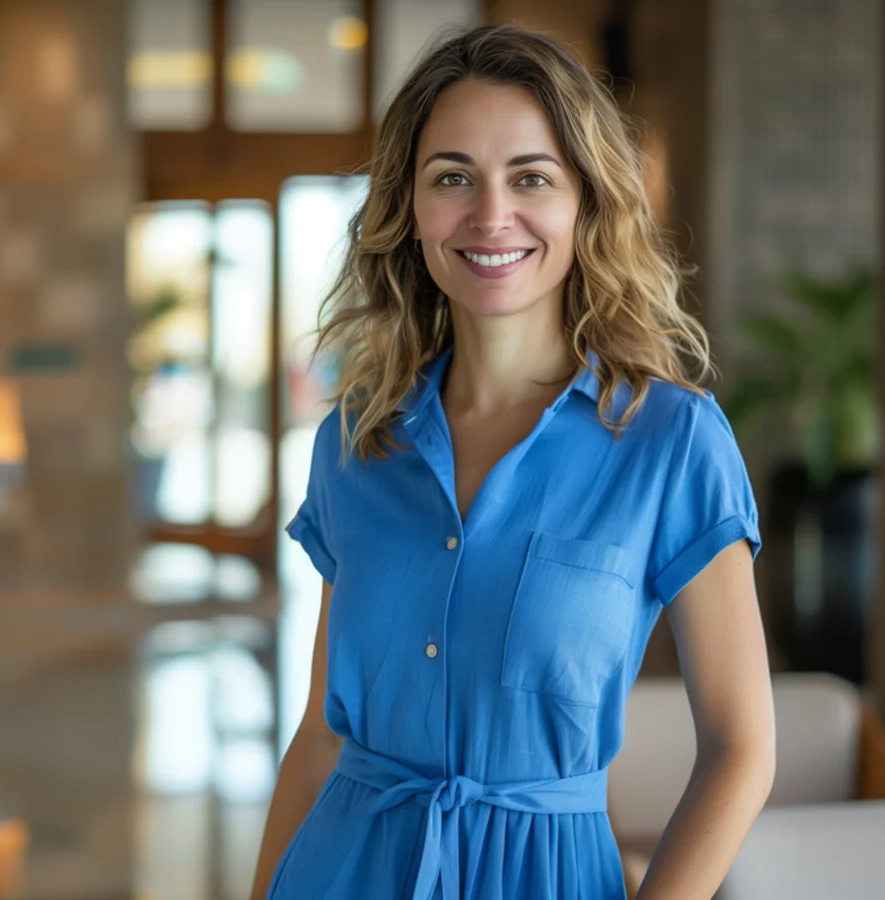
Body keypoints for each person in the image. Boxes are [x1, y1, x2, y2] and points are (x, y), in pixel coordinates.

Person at [249, 24, 775, 900]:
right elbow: (320, 736)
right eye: (452, 177)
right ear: (410, 212)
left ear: (584, 203)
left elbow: (741, 749)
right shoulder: (353, 441)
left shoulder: (672, 444)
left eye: (531, 176)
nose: (491, 215)